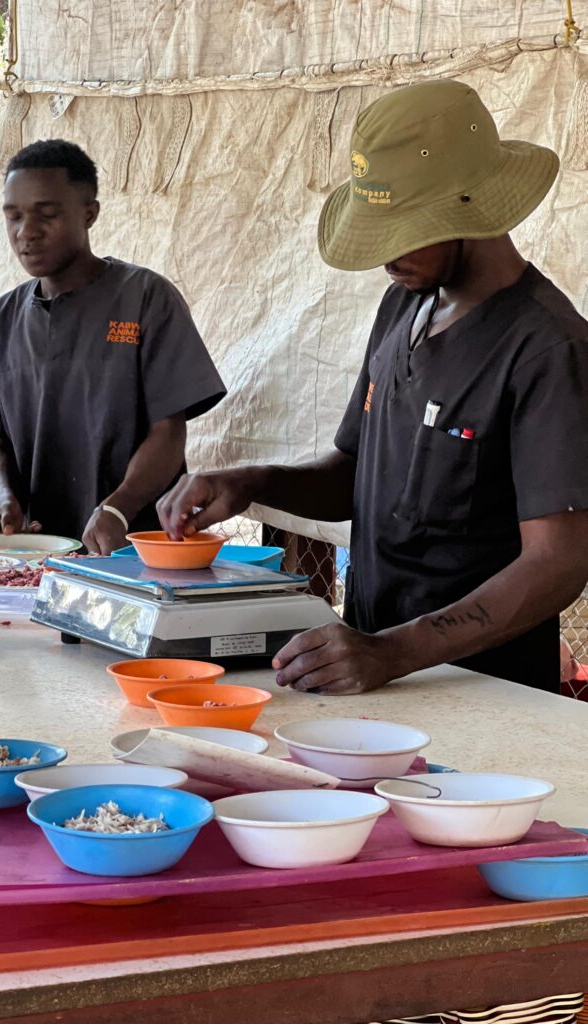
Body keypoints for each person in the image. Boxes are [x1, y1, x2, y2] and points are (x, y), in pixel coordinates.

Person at [158, 79, 588, 695]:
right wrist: (251, 483)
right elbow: (351, 478)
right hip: (378, 673)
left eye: (404, 230)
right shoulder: (402, 309)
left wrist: (393, 652)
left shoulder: (548, 349)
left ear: (472, 209)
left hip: (484, 692)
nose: (385, 255)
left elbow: (558, 563)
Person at [0, 139, 226, 553]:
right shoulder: (2, 319)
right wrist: (3, 495)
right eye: (14, 217)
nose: (26, 232)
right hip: (37, 550)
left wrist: (119, 507)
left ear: (89, 213)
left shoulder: (146, 299)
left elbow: (169, 431)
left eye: (47, 215)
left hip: (133, 546)